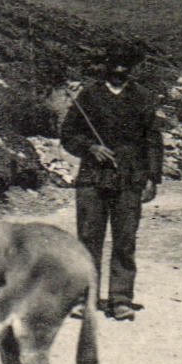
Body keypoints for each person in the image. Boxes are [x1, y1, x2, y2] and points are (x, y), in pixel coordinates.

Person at [58, 44, 163, 321]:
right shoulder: (89, 95)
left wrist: (152, 178)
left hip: (130, 178)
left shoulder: (143, 97)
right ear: (106, 67)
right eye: (114, 66)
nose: (119, 71)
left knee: (125, 240)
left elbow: (153, 140)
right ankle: (86, 298)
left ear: (131, 69)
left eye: (124, 66)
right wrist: (90, 147)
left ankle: (121, 299)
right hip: (93, 177)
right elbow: (68, 134)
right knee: (88, 238)